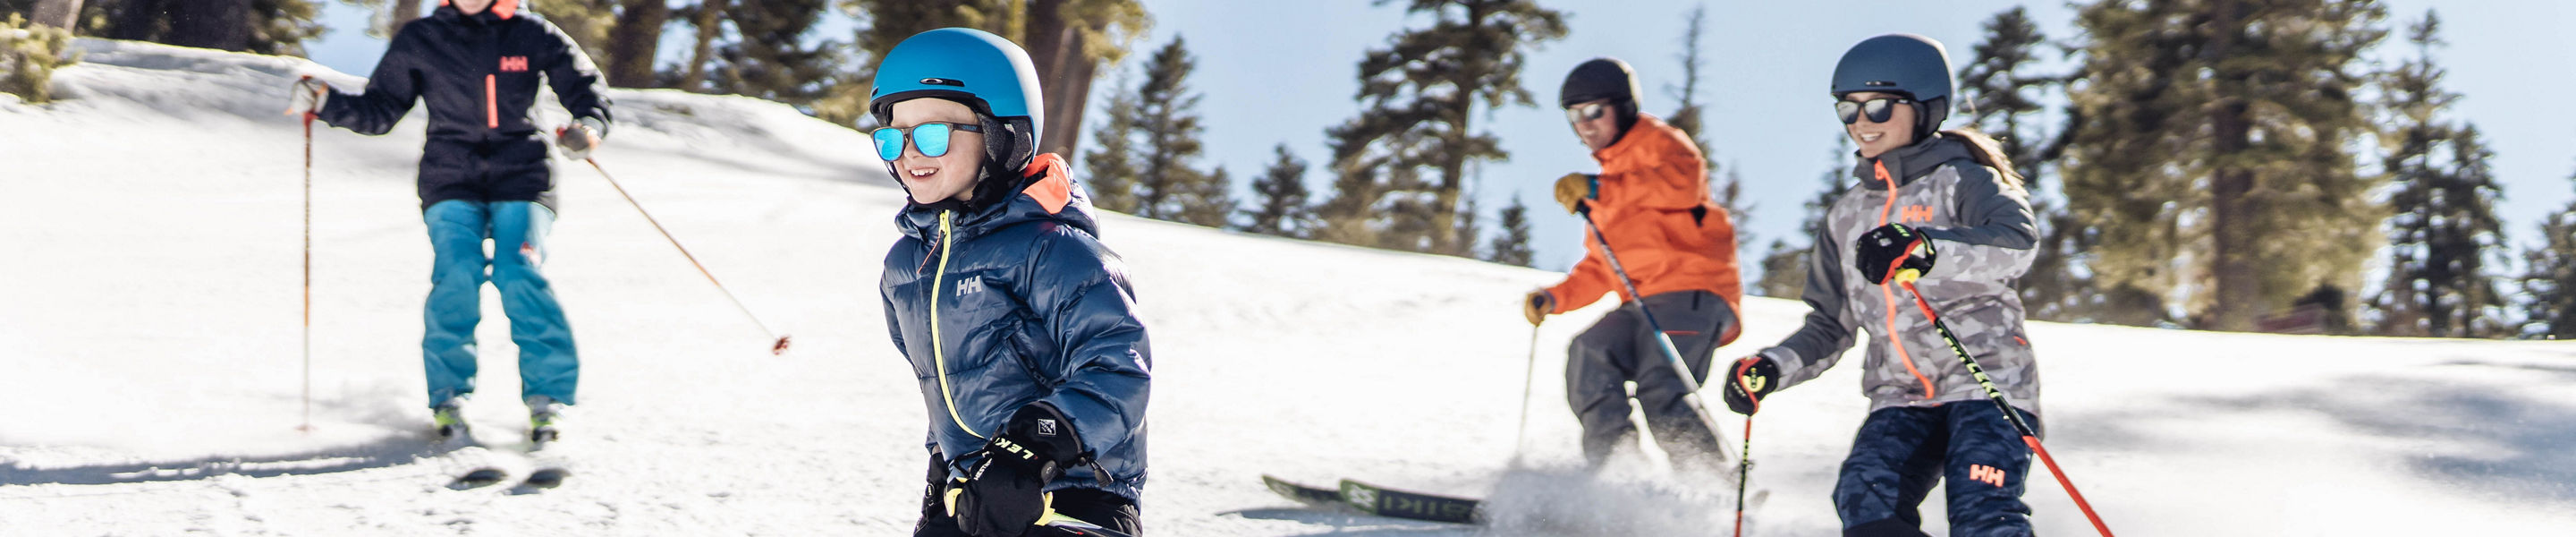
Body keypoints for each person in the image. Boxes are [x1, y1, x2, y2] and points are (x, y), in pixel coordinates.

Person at [1717, 34, 2045, 537]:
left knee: (1981, 505)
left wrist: (1926, 249)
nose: (1860, 123)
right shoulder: (1846, 216)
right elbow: (1830, 326)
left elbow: (2016, 245)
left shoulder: (1963, 180)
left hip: (1987, 382)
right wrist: (1773, 366)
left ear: (1925, 107)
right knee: (1864, 498)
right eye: (1847, 110)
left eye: (1877, 107)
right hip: (1900, 397)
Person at [284, 0, 609, 443]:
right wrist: (325, 102)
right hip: (450, 178)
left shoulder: (532, 32)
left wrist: (588, 126)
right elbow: (381, 110)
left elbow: (586, 88)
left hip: (524, 176)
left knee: (518, 270)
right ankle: (448, 398)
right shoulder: (423, 38)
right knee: (458, 272)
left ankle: (549, 399)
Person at [869, 28, 1152, 537]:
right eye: (893, 136)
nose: (909, 153)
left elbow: (1118, 366)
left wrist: (1033, 449)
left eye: (932, 134)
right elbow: (946, 386)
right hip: (976, 495)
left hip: (1074, 495)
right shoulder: (907, 268)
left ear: (1001, 132)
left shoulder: (1052, 249)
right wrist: (942, 472)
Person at [1521, 57, 1744, 474]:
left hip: (1691, 294)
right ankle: (1618, 476)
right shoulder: (1605, 184)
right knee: (1589, 353)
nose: (1585, 125)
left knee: (1660, 387)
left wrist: (1599, 189)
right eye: (1575, 116)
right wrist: (1555, 298)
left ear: (1622, 106)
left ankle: (1712, 487)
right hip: (1639, 304)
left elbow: (1680, 185)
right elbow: (1600, 265)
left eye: (1594, 111)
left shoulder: (1660, 143)